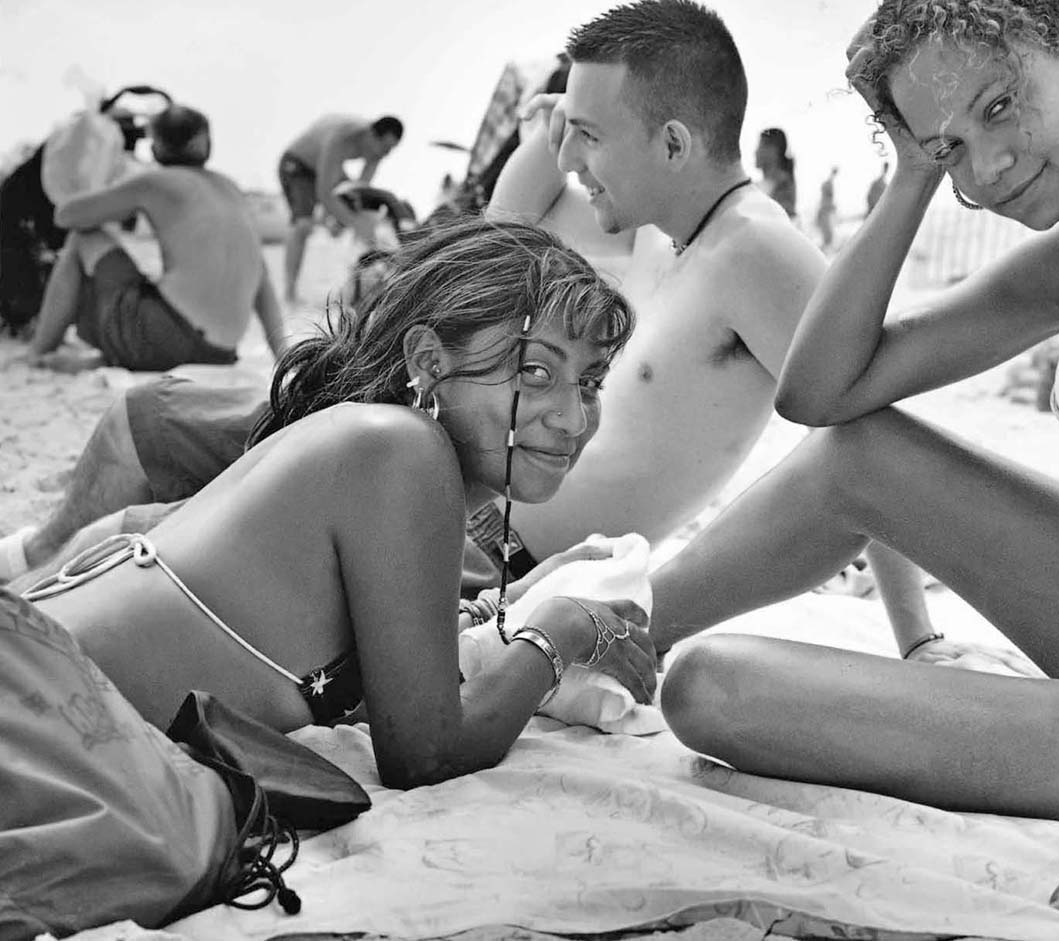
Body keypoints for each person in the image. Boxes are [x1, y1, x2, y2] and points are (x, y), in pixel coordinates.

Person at [0, 0, 938, 660]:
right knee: (150, 429)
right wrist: (550, 132)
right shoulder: (672, 236)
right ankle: (33, 563)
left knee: (146, 485)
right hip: (455, 493)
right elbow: (498, 247)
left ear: (677, 144)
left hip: (485, 543)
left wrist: (919, 636)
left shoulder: (756, 253)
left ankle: (33, 579)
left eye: (587, 136)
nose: (573, 159)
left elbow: (864, 424)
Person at [655, 0, 1059, 935]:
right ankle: (605, 629)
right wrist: (910, 176)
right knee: (856, 457)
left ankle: (581, 641)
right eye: (949, 148)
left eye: (998, 107)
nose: (983, 170)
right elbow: (824, 393)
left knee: (710, 687)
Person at [12, 216, 654, 779]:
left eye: (591, 382)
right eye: (536, 373)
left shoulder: (374, 449)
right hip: (31, 716)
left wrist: (506, 605)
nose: (572, 418)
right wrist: (562, 627)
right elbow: (427, 754)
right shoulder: (403, 450)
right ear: (429, 360)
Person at [25, 105, 288, 373]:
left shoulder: (154, 182)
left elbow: (66, 216)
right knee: (156, 287)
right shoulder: (232, 189)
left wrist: (106, 183)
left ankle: (39, 352)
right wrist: (283, 355)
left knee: (82, 237)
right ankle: (111, 358)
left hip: (168, 336)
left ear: (155, 148)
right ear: (207, 142)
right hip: (220, 353)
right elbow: (262, 280)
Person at [279, 114, 404, 302]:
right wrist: (352, 222)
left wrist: (345, 219)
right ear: (371, 134)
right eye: (384, 148)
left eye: (390, 151)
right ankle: (289, 290)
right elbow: (324, 193)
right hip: (298, 165)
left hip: (327, 170)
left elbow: (359, 193)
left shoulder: (378, 151)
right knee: (304, 224)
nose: (384, 155)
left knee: (355, 211)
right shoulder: (341, 137)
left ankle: (359, 285)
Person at [754, 127, 797, 217]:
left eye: (760, 146)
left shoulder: (784, 186)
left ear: (773, 150)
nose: (756, 151)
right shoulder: (755, 186)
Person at [814, 165, 838, 250]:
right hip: (825, 211)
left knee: (828, 233)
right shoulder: (827, 185)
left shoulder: (828, 184)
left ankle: (826, 246)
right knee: (827, 233)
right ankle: (825, 247)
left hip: (826, 211)